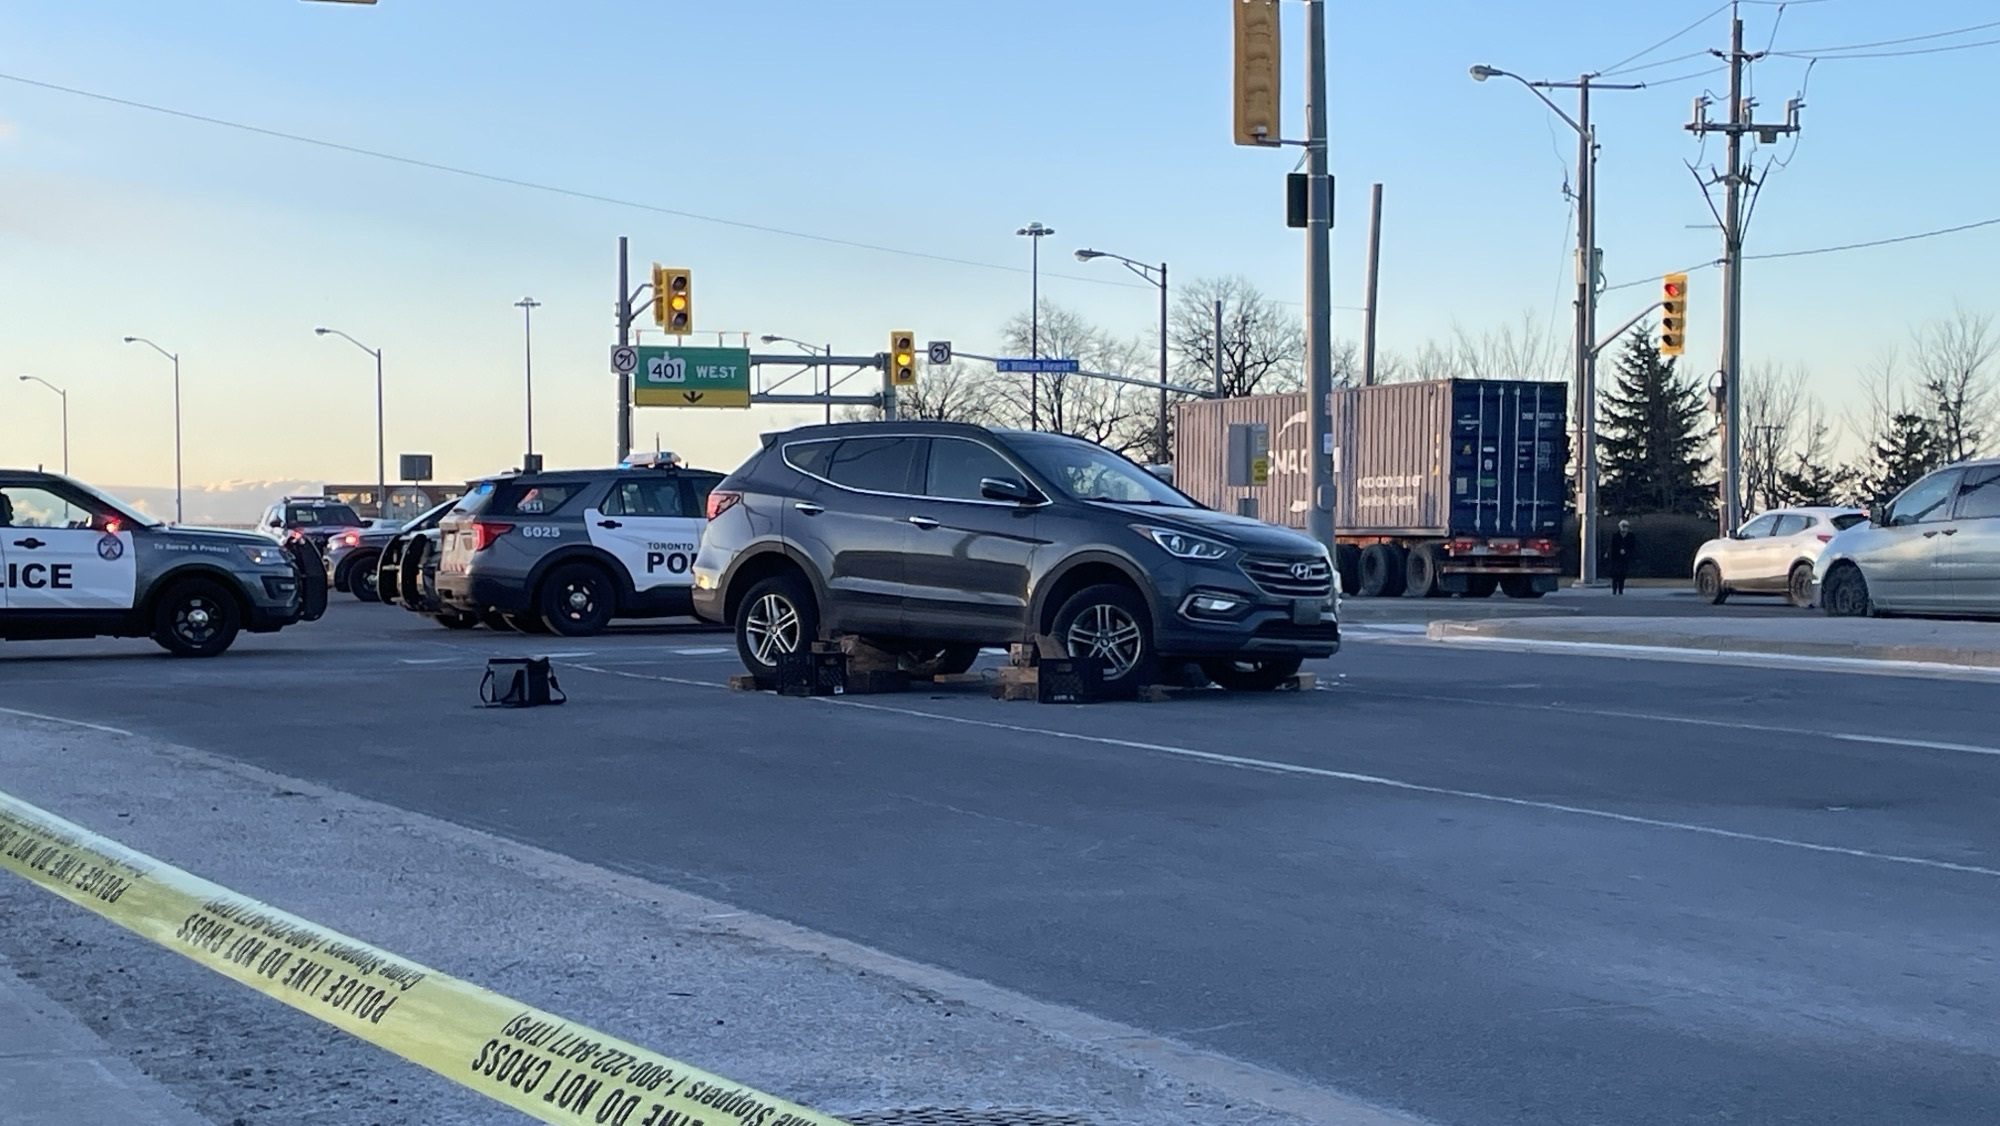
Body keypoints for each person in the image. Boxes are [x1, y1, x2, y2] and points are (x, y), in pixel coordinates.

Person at [1605, 519, 1637, 595]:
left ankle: (1621, 589)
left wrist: (1627, 552)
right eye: (1622, 526)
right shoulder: (1615, 535)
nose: (1624, 528)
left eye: (1625, 526)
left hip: (1625, 558)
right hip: (1616, 557)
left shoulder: (1630, 536)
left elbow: (1632, 547)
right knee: (1615, 574)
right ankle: (1614, 589)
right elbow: (1611, 546)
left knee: (1623, 574)